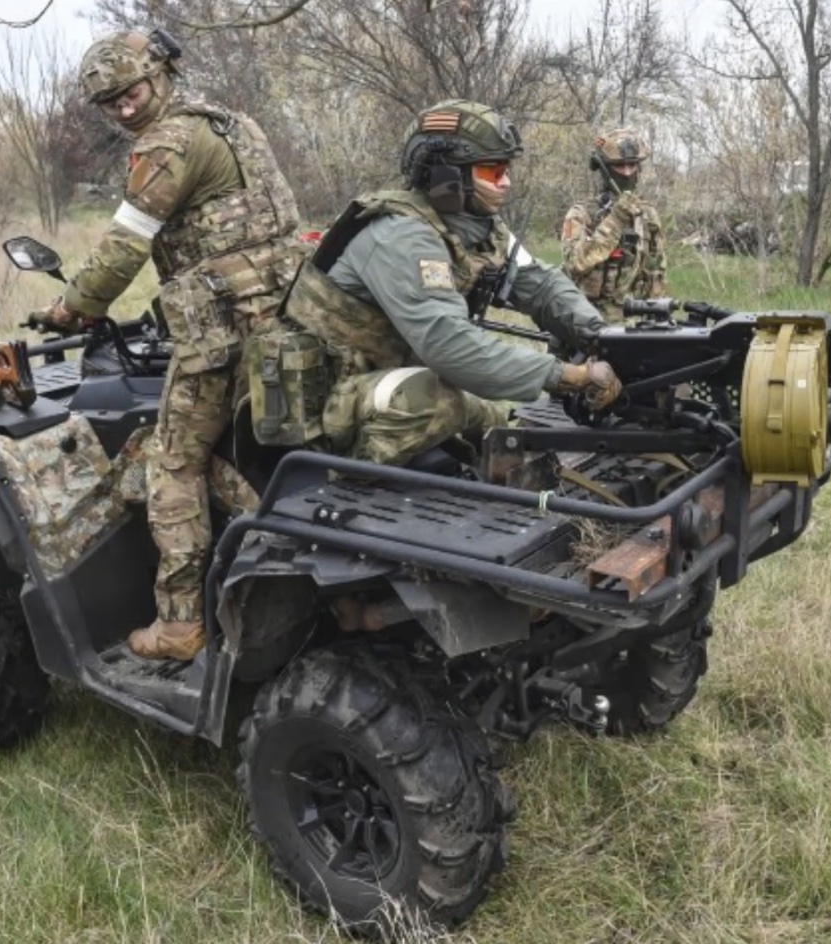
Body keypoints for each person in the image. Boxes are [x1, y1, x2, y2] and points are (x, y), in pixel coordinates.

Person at [40, 29, 301, 661]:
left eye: (129, 92)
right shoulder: (232, 123)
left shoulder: (165, 144)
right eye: (110, 104)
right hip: (287, 313)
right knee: (255, 446)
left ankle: (181, 624)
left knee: (174, 462)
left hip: (222, 331)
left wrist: (72, 308)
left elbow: (125, 246)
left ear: (161, 75)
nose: (124, 109)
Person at [277, 99, 622, 468]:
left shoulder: (477, 229)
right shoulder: (400, 235)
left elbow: (541, 285)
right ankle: (341, 484)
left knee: (494, 424)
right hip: (323, 400)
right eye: (492, 172)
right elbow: (448, 344)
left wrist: (601, 335)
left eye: (506, 169)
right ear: (445, 177)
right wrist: (570, 376)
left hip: (383, 383)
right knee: (444, 402)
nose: (505, 183)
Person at [560, 128, 668, 323]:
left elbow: (655, 272)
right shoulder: (582, 213)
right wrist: (616, 220)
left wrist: (657, 318)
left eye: (632, 165)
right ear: (605, 169)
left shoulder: (647, 215)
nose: (627, 172)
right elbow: (575, 263)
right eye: (620, 166)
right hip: (587, 320)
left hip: (633, 323)